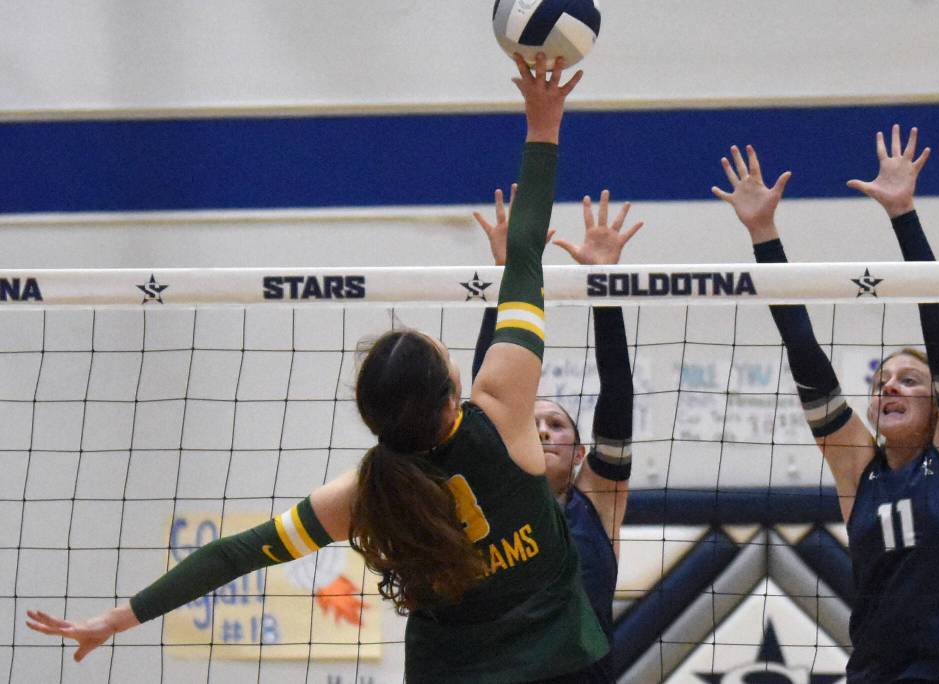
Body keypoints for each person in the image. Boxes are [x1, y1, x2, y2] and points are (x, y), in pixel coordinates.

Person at [25, 52, 610, 684]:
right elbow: (526, 253)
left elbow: (237, 553)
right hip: (560, 666)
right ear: (452, 393)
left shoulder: (365, 494)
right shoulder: (502, 408)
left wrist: (119, 618)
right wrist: (543, 123)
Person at [711, 126, 939, 683]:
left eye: (909, 380)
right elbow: (805, 354)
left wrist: (903, 215)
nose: (890, 387)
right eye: (882, 381)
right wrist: (764, 234)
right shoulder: (858, 470)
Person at [472, 187, 641, 682]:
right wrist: (508, 276)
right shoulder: (495, 496)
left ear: (580, 452)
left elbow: (618, 394)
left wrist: (603, 287)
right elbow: (489, 396)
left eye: (557, 425)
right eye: (534, 423)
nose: (544, 430)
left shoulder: (599, 501)